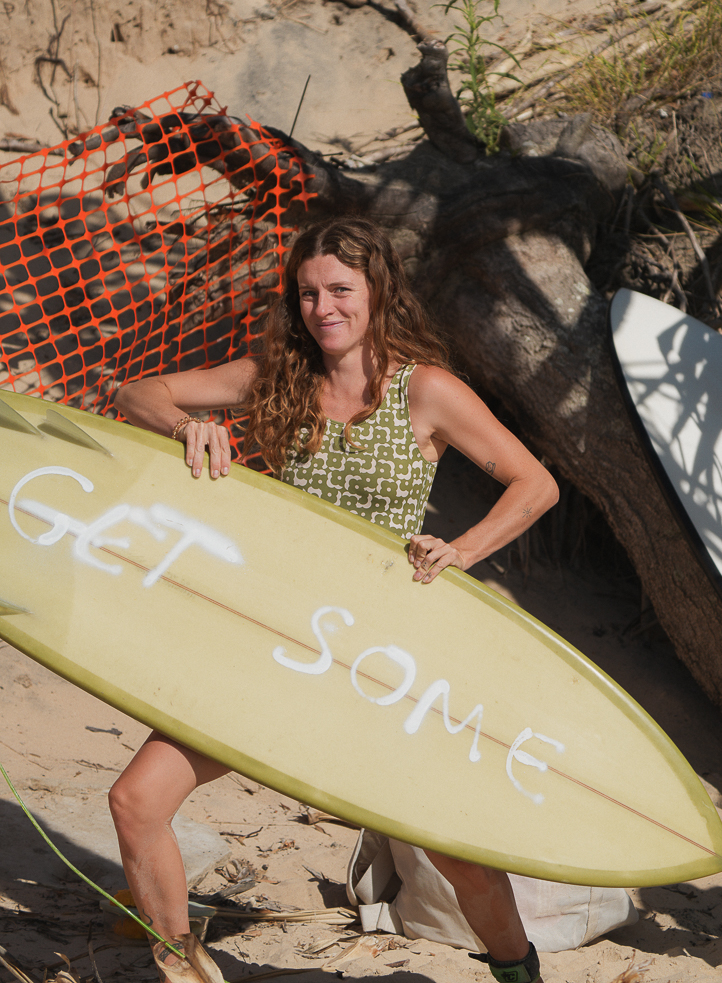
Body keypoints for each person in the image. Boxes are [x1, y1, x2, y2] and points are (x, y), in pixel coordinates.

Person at [110, 216, 559, 983]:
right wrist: (189, 427)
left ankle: (518, 972)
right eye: (309, 293)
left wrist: (461, 550)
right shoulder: (277, 378)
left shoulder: (425, 391)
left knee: (457, 852)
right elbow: (134, 392)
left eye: (341, 290)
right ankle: (181, 967)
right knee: (136, 801)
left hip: (374, 659)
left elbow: (535, 485)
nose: (324, 308)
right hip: (275, 638)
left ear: (378, 290)